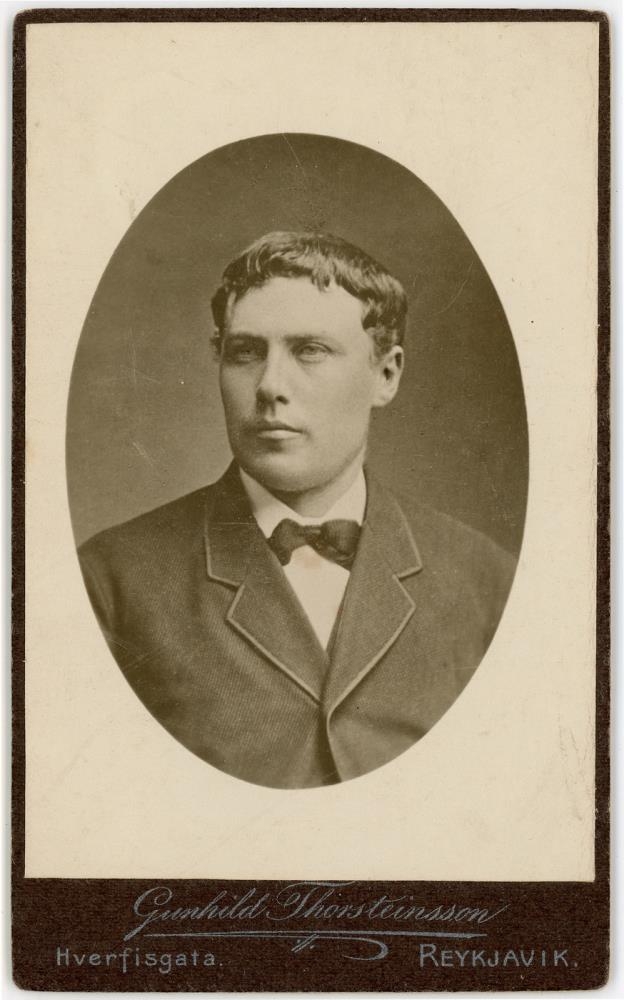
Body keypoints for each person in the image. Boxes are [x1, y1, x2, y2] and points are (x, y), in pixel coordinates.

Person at [79, 231, 516, 789]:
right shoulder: (111, 582)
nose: (269, 386)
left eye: (310, 350)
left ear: (386, 375)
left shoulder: (486, 583)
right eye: (245, 352)